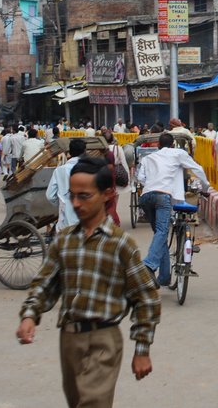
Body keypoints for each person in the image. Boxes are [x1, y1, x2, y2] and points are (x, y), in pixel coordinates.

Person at [17, 160, 160, 406]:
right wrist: (30, 315)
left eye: (84, 196)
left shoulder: (120, 244)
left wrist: (142, 349)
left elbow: (145, 298)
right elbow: (45, 284)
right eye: (72, 196)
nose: (75, 204)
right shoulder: (64, 241)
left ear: (107, 195)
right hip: (69, 339)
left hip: (104, 340)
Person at [136, 133, 209, 288]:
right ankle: (148, 265)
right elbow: (198, 168)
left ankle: (164, 277)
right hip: (163, 196)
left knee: (159, 234)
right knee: (162, 231)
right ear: (173, 144)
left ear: (159, 145)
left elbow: (141, 179)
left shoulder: (148, 158)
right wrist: (206, 187)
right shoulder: (178, 153)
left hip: (146, 196)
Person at [46, 139, 90, 231]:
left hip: (65, 223)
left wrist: (62, 203)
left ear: (70, 153)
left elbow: (50, 196)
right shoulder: (89, 170)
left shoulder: (59, 171)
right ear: (84, 152)